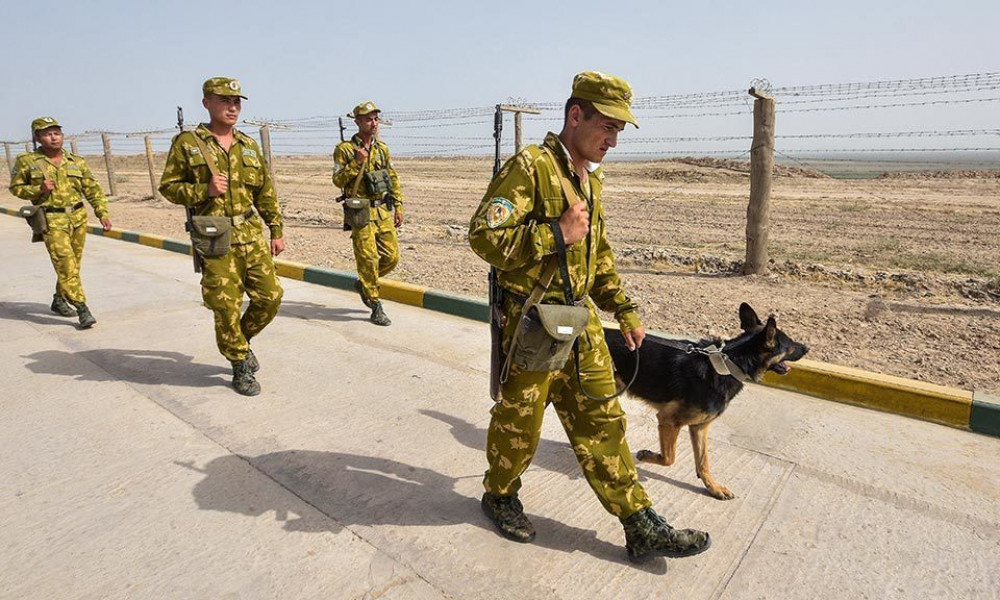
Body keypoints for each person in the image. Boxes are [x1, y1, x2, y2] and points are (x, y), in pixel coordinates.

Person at [468, 72, 711, 562]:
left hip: (580, 326)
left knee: (603, 420)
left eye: (620, 130)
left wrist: (624, 308)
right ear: (575, 115)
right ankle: (499, 494)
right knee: (520, 425)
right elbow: (483, 238)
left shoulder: (589, 182)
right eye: (607, 126)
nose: (613, 139)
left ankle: (639, 522)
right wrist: (554, 233)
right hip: (532, 325)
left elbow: (598, 258)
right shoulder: (531, 167)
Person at [159, 77, 285, 396]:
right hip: (213, 232)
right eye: (224, 100)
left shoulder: (248, 145)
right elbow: (169, 187)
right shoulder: (188, 142)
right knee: (225, 304)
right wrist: (205, 189)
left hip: (250, 231)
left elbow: (265, 192)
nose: (232, 107)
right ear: (206, 103)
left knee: (270, 297)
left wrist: (276, 229)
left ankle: (238, 341)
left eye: (237, 102)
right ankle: (239, 363)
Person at [9, 117, 112, 328]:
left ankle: (58, 300)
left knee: (72, 265)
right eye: (47, 133)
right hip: (51, 219)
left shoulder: (76, 161)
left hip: (77, 218)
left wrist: (102, 212)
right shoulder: (27, 161)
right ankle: (83, 308)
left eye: (57, 132)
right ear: (38, 137)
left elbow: (92, 189)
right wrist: (39, 189)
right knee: (65, 264)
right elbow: (16, 188)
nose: (53, 137)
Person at [332, 101, 404, 327]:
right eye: (368, 119)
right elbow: (338, 180)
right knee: (368, 258)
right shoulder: (344, 149)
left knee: (391, 258)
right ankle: (375, 304)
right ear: (357, 122)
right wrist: (356, 162)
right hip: (360, 211)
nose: (373, 123)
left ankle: (365, 283)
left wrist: (398, 204)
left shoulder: (382, 149)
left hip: (382, 210)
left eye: (375, 119)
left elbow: (392, 177)